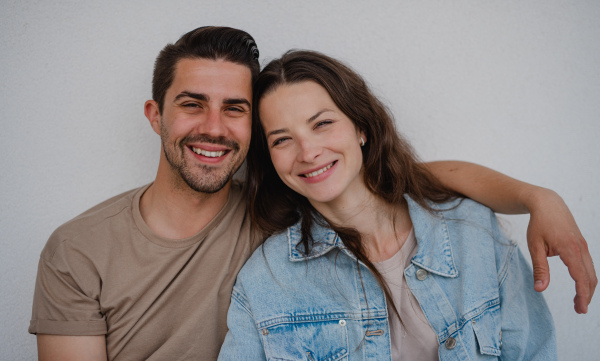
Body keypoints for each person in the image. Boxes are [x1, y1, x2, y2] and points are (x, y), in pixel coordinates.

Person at [28, 27, 593, 361]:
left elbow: (413, 176)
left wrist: (536, 195)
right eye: (191, 104)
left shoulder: (465, 231)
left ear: (361, 126)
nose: (214, 128)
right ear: (155, 115)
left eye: (235, 109)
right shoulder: (82, 250)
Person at [218, 50, 558, 360]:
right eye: (282, 139)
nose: (307, 153)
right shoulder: (265, 281)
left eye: (322, 124)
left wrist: (539, 197)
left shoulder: (473, 232)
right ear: (270, 160)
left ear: (361, 128)